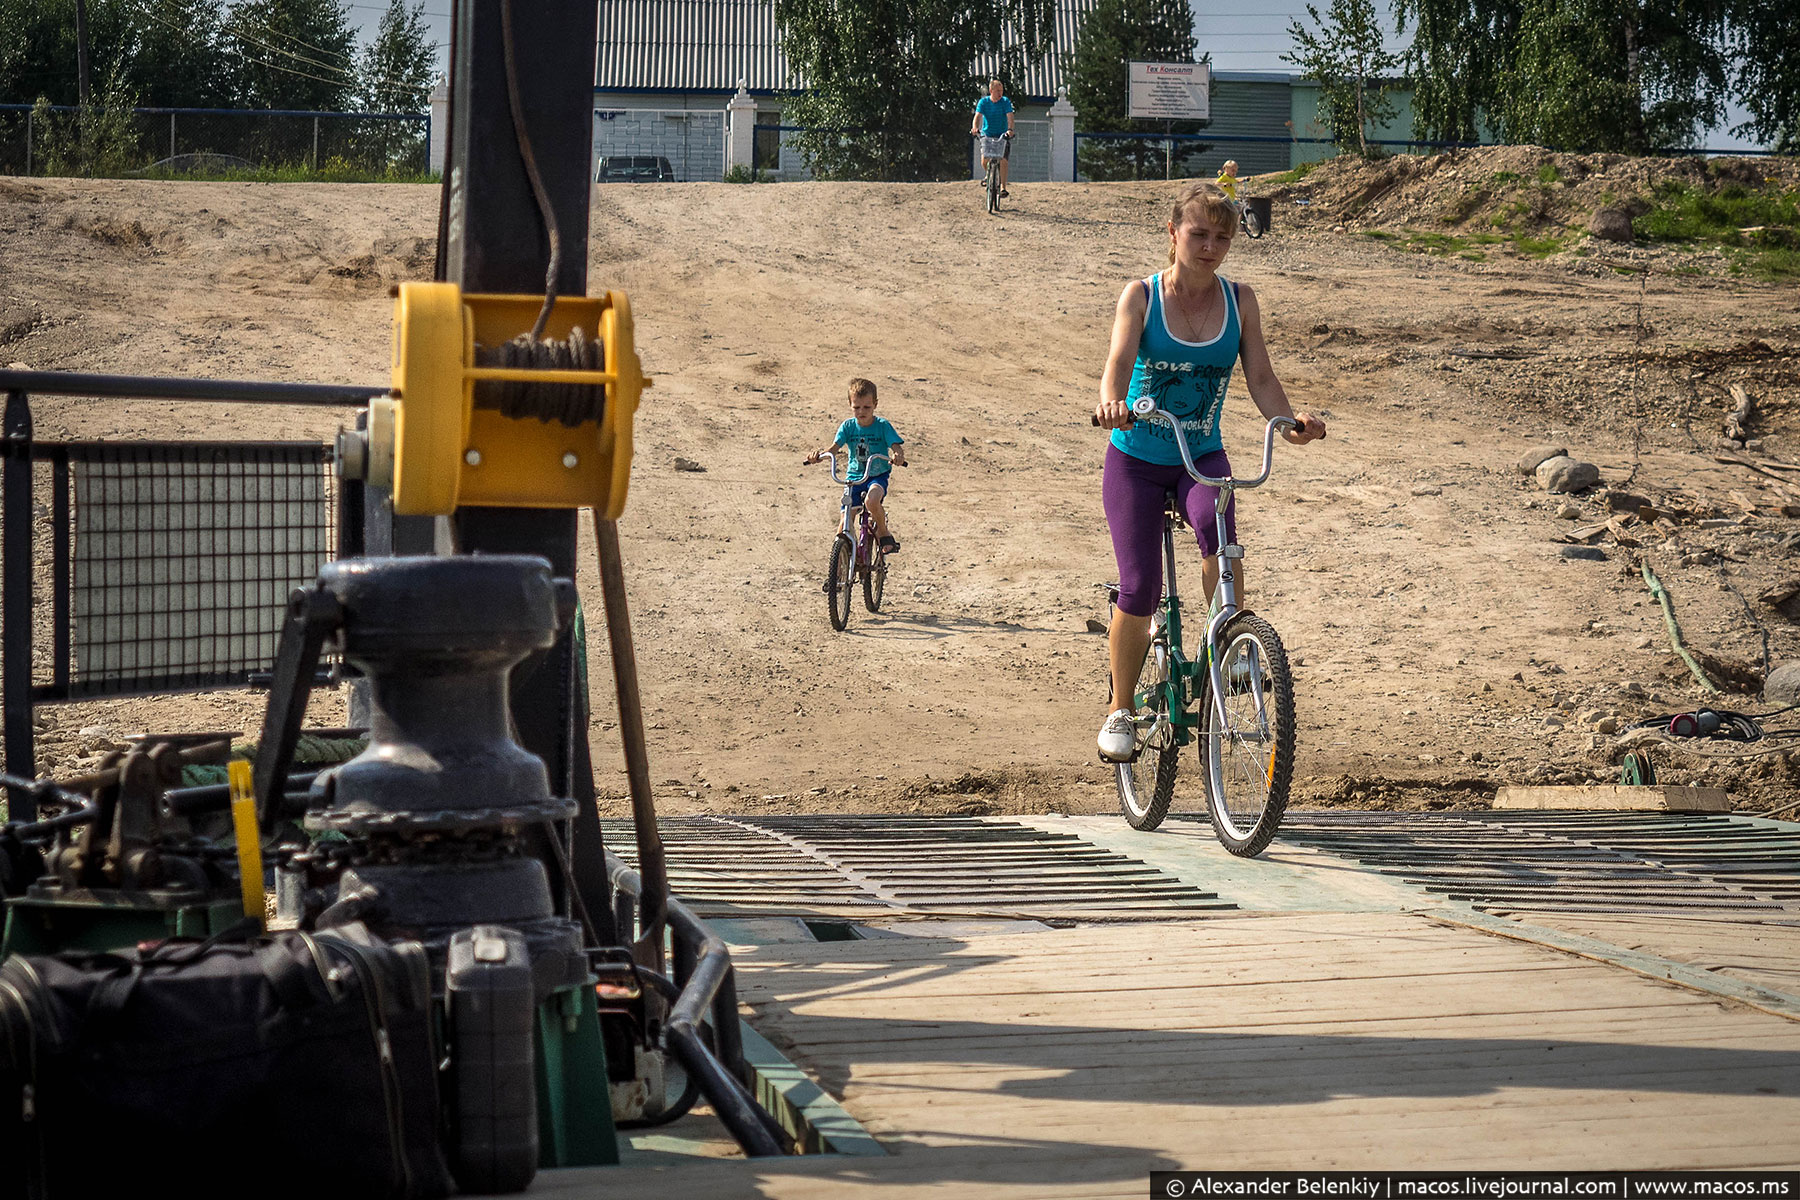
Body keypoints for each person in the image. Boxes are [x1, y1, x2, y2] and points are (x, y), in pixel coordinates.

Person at [1091, 180, 1326, 763]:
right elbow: (1117, 364)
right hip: (1136, 459)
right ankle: (1121, 706)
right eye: (1198, 234)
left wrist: (1289, 423)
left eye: (1222, 237)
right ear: (1173, 234)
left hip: (1201, 456)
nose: (1210, 246)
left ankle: (1232, 646)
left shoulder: (1240, 299)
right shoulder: (1140, 297)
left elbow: (1261, 377)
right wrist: (1112, 402)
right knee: (1140, 586)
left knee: (1222, 543)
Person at [805, 377, 907, 555]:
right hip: (853, 478)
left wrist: (898, 454)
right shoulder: (848, 426)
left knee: (871, 500)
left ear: (875, 404)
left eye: (867, 407)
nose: (861, 411)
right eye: (856, 407)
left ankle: (883, 532)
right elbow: (833, 448)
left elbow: (895, 446)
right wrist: (819, 456)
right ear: (850, 405)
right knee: (845, 520)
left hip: (876, 476)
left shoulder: (882, 426)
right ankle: (837, 573)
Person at [970, 78, 1015, 198]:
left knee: (1003, 160)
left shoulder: (1005, 101)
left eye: (1001, 90)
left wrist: (1010, 130)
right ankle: (989, 175)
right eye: (997, 90)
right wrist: (975, 128)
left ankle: (1003, 188)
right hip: (987, 134)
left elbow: (1010, 117)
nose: (1000, 93)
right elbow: (977, 116)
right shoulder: (983, 102)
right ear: (991, 90)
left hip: (1002, 134)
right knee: (985, 159)